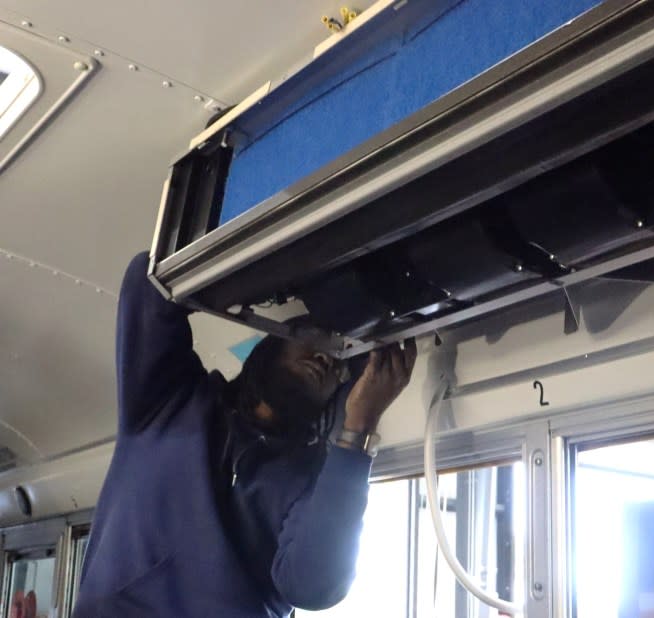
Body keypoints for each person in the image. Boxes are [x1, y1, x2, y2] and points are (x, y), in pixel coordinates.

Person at [72, 252, 416, 617]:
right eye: (314, 338)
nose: (328, 359)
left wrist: (358, 431)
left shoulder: (306, 478)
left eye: (339, 366)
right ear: (268, 346)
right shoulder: (169, 403)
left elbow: (312, 586)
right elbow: (146, 282)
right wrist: (258, 268)